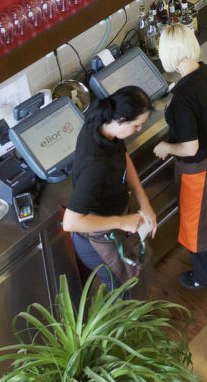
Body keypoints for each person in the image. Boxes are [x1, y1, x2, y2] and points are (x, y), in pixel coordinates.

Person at [150, 23, 207, 290]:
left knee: (195, 223)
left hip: (198, 165)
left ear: (167, 55)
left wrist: (166, 148)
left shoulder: (181, 98)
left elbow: (189, 149)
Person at [62, 85, 156, 297]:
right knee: (121, 293)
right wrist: (121, 222)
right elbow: (71, 223)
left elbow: (122, 157)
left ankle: (139, 320)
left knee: (134, 279)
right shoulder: (94, 164)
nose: (139, 130)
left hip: (117, 223)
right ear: (120, 119)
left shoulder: (105, 129)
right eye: (137, 125)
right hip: (98, 237)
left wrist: (144, 203)